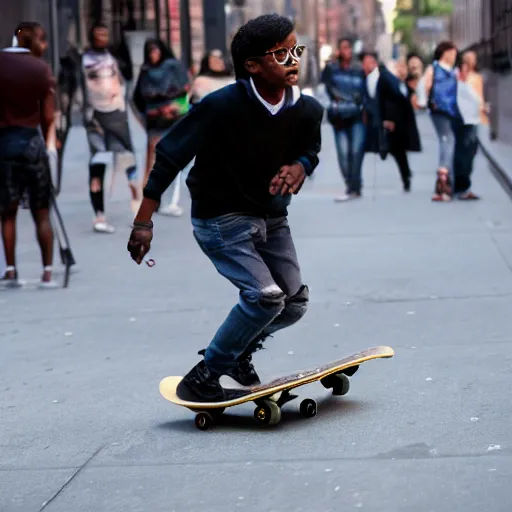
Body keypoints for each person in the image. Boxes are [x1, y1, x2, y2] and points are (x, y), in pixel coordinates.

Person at [127, 14, 323, 402]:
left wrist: (301, 166)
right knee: (265, 297)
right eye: (281, 54)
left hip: (272, 217)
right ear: (251, 65)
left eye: (295, 51)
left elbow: (310, 151)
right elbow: (169, 156)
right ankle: (204, 374)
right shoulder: (220, 107)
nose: (293, 61)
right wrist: (143, 223)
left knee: (294, 303)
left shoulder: (307, 109)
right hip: (221, 219)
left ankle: (237, 354)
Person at [0, 22, 57, 288]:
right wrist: (49, 143)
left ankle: (11, 269)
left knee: (8, 212)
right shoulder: (40, 69)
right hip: (32, 145)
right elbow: (47, 116)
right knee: (41, 211)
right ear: (32, 41)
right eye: (42, 40)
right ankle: (47, 271)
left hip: (5, 145)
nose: (44, 46)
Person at [81, 23, 141, 233]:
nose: (102, 37)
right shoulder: (83, 59)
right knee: (98, 164)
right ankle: (99, 215)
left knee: (128, 163)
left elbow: (130, 84)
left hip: (118, 117)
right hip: (95, 119)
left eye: (105, 33)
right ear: (91, 36)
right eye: (98, 33)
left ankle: (138, 212)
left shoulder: (115, 58)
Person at [132, 38, 190, 217]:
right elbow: (137, 98)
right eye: (149, 51)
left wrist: (175, 108)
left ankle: (169, 201)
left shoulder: (173, 66)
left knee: (173, 159)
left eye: (155, 50)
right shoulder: (145, 70)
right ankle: (150, 198)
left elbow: (185, 88)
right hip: (155, 120)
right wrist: (145, 117)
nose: (153, 55)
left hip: (174, 117)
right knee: (151, 159)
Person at [361, 53, 421, 192]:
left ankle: (406, 175)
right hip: (391, 119)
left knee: (397, 149)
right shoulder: (378, 77)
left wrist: (388, 118)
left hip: (396, 119)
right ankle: (406, 174)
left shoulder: (386, 77)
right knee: (397, 149)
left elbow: (393, 98)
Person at [321, 38, 366, 201]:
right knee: (343, 154)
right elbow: (324, 89)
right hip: (339, 116)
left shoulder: (359, 68)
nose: (347, 51)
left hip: (357, 116)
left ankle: (355, 187)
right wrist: (332, 104)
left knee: (356, 152)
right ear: (338, 50)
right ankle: (350, 184)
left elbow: (367, 90)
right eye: (344, 48)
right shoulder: (331, 69)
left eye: (349, 48)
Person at [423, 41, 462, 201]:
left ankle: (444, 178)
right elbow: (426, 86)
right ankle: (444, 175)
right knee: (448, 139)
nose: (454, 57)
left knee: (446, 141)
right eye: (452, 53)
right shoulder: (434, 68)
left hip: (452, 110)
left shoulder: (454, 71)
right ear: (445, 53)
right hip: (439, 109)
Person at [452, 55, 483, 200]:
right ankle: (462, 187)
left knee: (468, 153)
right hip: (465, 123)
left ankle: (462, 186)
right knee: (465, 155)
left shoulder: (465, 83)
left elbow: (477, 100)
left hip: (471, 121)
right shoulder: (459, 85)